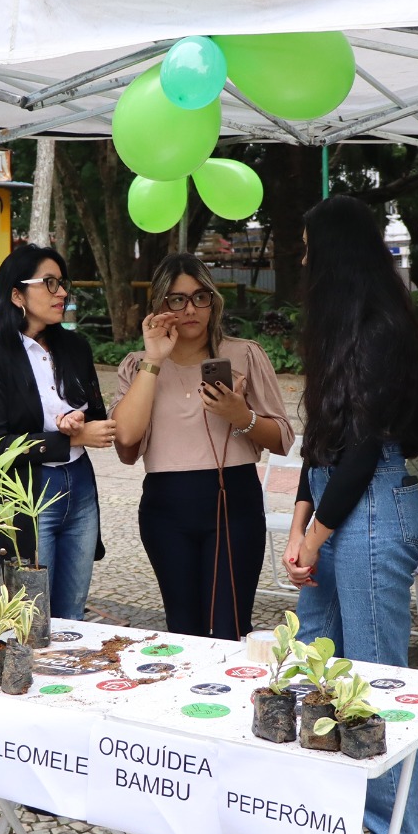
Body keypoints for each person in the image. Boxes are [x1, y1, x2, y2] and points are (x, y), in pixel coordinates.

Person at [283, 196, 418, 834]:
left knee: (374, 682)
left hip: (371, 504)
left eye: (308, 247)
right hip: (333, 499)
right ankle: (331, 822)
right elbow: (322, 440)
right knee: (315, 670)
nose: (302, 260)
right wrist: (299, 523)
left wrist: (315, 535)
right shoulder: (335, 331)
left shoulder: (381, 330)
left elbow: (363, 448)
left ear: (335, 254)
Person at [113, 253, 293, 640]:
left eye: (200, 297)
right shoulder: (138, 365)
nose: (191, 309)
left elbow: (282, 438)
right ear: (160, 305)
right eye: (177, 300)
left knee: (229, 629)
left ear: (214, 300)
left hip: (234, 504)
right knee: (182, 632)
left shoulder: (244, 354)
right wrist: (154, 359)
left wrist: (240, 415)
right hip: (166, 509)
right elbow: (126, 444)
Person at [0, 246, 112, 619]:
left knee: (72, 613)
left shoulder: (75, 347)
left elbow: (96, 414)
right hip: (26, 494)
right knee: (31, 616)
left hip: (79, 486)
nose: (61, 292)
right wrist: (69, 439)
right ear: (17, 295)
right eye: (49, 283)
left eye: (62, 283)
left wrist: (76, 420)